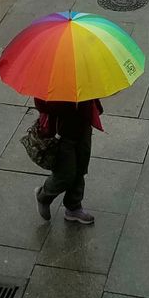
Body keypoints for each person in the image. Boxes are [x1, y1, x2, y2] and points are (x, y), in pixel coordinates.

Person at [34, 97, 102, 226]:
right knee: (65, 175)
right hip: (62, 135)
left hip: (83, 128)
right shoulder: (53, 81)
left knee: (81, 168)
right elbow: (41, 104)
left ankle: (73, 207)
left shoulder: (84, 77)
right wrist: (67, 104)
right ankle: (44, 196)